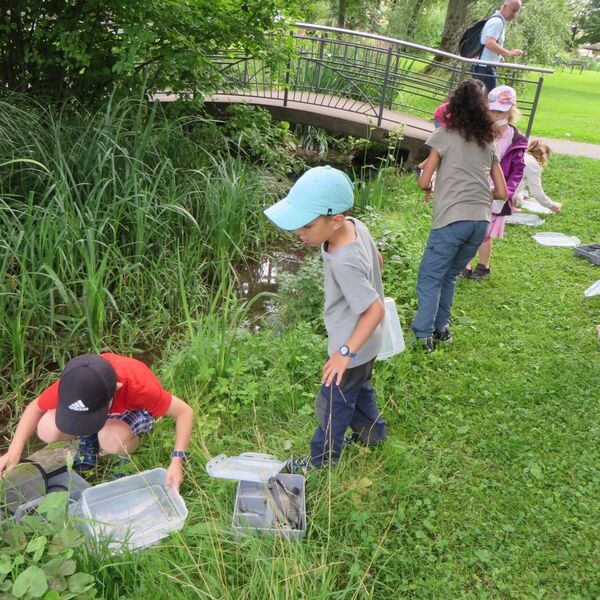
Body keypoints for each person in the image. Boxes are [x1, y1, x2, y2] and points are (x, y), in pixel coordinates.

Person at [264, 166, 387, 470]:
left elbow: (375, 310)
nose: (298, 233)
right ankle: (374, 436)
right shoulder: (354, 225)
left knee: (333, 406)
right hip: (368, 345)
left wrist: (344, 353)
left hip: (352, 346)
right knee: (360, 390)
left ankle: (319, 464)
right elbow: (377, 260)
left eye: (306, 225)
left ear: (334, 221)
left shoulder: (344, 258)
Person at [0, 353, 193, 490]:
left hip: (133, 410)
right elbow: (36, 407)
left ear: (115, 391)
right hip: (98, 408)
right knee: (46, 429)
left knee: (111, 439)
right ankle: (90, 440)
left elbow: (185, 412)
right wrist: (14, 451)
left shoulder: (139, 386)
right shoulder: (74, 381)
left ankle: (122, 453)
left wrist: (177, 460)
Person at [414, 79, 508, 352]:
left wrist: (438, 186)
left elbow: (423, 181)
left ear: (453, 105)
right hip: (479, 222)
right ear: (482, 109)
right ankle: (441, 328)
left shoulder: (444, 135)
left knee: (430, 277)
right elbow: (501, 192)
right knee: (449, 275)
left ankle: (423, 336)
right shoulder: (487, 141)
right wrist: (477, 195)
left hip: (451, 220)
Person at [464, 85, 527, 281]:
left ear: (510, 110)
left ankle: (484, 266)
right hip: (476, 187)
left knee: (484, 233)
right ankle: (465, 264)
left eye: (500, 110)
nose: (494, 114)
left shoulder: (515, 139)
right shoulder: (479, 131)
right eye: (491, 109)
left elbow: (517, 169)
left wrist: (506, 190)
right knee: (467, 227)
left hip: (496, 192)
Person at [471, 0, 524, 91]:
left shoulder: (494, 19)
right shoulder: (498, 22)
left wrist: (499, 56)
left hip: (480, 65)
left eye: (517, 11)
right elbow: (490, 43)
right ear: (504, 7)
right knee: (489, 100)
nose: (514, 14)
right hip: (486, 68)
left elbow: (486, 43)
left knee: (477, 100)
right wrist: (509, 53)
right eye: (513, 10)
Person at [514, 139, 561, 213]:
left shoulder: (522, 155)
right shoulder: (532, 164)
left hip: (496, 188)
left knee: (520, 195)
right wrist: (551, 205)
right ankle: (508, 206)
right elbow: (536, 191)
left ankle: (518, 196)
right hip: (503, 195)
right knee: (518, 199)